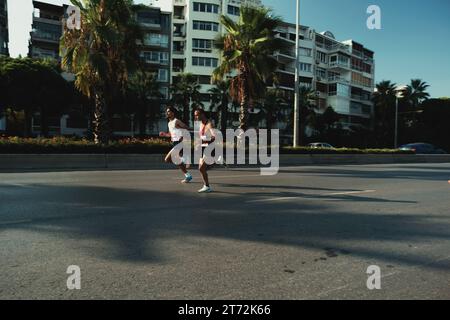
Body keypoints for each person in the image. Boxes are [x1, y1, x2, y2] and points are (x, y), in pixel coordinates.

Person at [159, 106, 192, 183]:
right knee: (172, 160)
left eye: (168, 111)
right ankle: (188, 175)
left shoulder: (177, 121)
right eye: (166, 111)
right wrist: (164, 134)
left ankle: (185, 160)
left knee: (167, 159)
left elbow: (186, 128)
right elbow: (170, 134)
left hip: (180, 143)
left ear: (173, 113)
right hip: (175, 143)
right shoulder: (169, 123)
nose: (166, 113)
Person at [194, 108, 216, 193]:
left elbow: (214, 136)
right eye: (195, 115)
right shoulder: (200, 124)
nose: (196, 117)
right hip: (202, 147)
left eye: (197, 115)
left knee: (201, 168)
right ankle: (206, 186)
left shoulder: (209, 124)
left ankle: (207, 186)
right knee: (203, 169)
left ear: (202, 114)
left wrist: (204, 140)